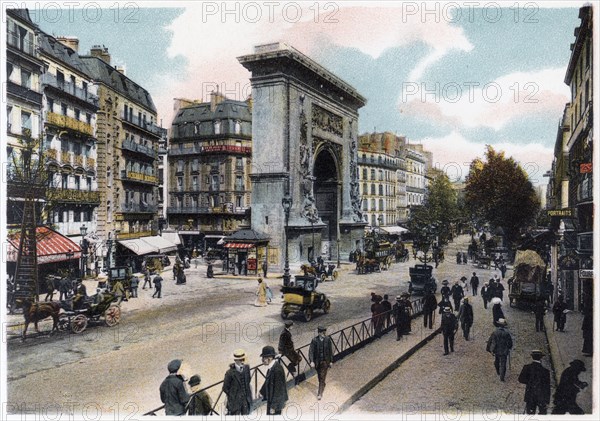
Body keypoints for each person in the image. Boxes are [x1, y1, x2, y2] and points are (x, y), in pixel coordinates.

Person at [518, 350, 550, 415]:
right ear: (541, 358)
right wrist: (547, 400)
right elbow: (547, 387)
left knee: (530, 415)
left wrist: (530, 382)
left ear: (532, 357)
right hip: (541, 396)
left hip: (530, 395)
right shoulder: (545, 371)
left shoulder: (527, 367)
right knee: (542, 416)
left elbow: (521, 379)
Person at [259, 345, 288, 414]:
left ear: (270, 358)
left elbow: (278, 390)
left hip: (276, 403)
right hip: (271, 399)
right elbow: (268, 381)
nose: (262, 360)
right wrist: (262, 392)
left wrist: (273, 407)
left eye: (264, 357)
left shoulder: (277, 369)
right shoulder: (272, 367)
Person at [223, 349, 253, 415]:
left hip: (246, 400)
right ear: (235, 360)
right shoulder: (229, 373)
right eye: (240, 360)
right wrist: (234, 395)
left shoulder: (247, 368)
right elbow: (225, 388)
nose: (242, 361)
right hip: (235, 403)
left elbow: (248, 380)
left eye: (243, 359)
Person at [309, 326, 334, 400]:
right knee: (320, 376)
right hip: (317, 362)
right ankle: (323, 384)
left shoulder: (328, 339)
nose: (324, 334)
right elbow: (311, 351)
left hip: (325, 362)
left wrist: (331, 361)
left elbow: (330, 351)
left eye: (325, 333)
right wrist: (312, 361)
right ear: (319, 333)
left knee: (322, 377)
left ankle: (319, 393)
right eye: (323, 333)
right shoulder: (314, 340)